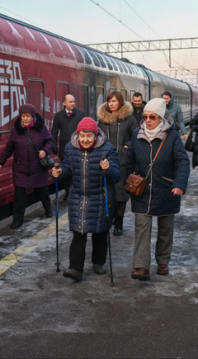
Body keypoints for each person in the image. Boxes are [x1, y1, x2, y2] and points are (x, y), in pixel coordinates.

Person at [126, 98, 190, 280]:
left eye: (152, 117)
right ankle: (141, 266)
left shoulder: (172, 136)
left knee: (165, 229)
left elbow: (183, 162)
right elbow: (130, 161)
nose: (147, 120)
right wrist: (127, 182)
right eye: (145, 116)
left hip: (166, 188)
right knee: (142, 228)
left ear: (161, 118)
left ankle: (163, 261)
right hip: (142, 190)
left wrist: (179, 184)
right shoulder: (137, 135)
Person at [52, 118, 121, 281]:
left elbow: (117, 176)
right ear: (78, 135)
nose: (85, 140)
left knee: (100, 232)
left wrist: (108, 168)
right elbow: (68, 168)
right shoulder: (70, 147)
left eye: (89, 136)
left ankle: (98, 263)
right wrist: (60, 173)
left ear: (95, 136)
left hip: (101, 197)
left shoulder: (108, 149)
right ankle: (75, 268)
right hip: (78, 197)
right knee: (79, 233)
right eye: (82, 136)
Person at [0, 104, 53, 228]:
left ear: (32, 117)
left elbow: (50, 141)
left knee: (43, 192)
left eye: (28, 116)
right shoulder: (16, 130)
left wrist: (45, 150)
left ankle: (48, 209)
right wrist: (1, 161)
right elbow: (9, 147)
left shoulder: (41, 128)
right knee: (19, 197)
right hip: (20, 168)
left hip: (37, 167)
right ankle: (17, 220)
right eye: (23, 116)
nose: (25, 119)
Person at [97, 91, 139, 236]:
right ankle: (111, 219)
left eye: (114, 101)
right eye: (109, 101)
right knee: (108, 192)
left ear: (120, 102)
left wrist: (127, 145)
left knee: (120, 194)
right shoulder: (102, 119)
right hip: (106, 160)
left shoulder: (129, 118)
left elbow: (136, 135)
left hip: (122, 161)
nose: (111, 104)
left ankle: (119, 223)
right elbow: (97, 136)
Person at [51, 94, 85, 201]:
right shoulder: (58, 115)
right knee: (66, 171)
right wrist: (54, 145)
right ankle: (67, 191)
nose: (73, 104)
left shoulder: (80, 114)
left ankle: (76, 191)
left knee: (77, 171)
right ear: (64, 103)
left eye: (74, 101)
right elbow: (54, 131)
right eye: (70, 102)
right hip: (64, 148)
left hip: (79, 148)